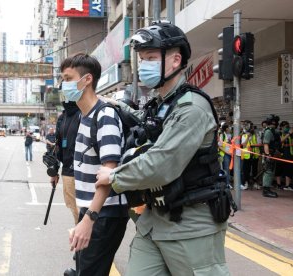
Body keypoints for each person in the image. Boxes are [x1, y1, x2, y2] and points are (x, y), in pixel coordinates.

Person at [96, 21, 230, 275]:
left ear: (175, 60)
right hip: (155, 222)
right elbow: (146, 123)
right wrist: (112, 104)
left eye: (151, 58)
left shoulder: (192, 108)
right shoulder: (163, 103)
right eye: (142, 59)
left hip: (191, 228)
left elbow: (162, 163)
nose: (143, 65)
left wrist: (114, 177)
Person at [60, 53, 129, 276]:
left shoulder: (104, 115)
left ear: (87, 79)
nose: (64, 85)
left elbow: (109, 172)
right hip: (93, 211)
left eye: (68, 78)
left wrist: (90, 219)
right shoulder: (84, 116)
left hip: (104, 214)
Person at [51, 101, 81, 225]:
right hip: (68, 172)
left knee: (88, 214)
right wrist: (54, 171)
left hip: (88, 174)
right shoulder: (62, 118)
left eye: (69, 80)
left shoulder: (86, 112)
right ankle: (81, 242)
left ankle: (85, 242)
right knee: (75, 212)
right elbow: (58, 146)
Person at [262, 114, 280, 198]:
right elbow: (266, 144)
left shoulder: (273, 131)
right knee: (268, 172)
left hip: (272, 154)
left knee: (271, 171)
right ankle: (266, 190)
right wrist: (268, 155)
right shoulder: (269, 131)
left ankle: (268, 188)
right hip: (269, 155)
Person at [275, 121, 293, 191]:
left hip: (289, 152)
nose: (287, 128)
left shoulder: (290, 134)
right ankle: (278, 184)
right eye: (286, 127)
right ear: (281, 127)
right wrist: (289, 133)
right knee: (279, 168)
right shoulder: (278, 133)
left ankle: (287, 186)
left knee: (289, 168)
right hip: (280, 152)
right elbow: (281, 141)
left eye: (288, 127)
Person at [241, 120, 260, 190]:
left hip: (255, 154)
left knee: (255, 169)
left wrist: (252, 145)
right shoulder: (244, 135)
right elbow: (243, 145)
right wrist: (247, 137)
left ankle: (255, 183)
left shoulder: (256, 135)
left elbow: (260, 143)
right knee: (246, 170)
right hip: (247, 155)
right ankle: (246, 183)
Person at [218, 123, 233, 189]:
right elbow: (219, 146)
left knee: (227, 169)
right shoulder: (222, 135)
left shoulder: (228, 135)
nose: (230, 129)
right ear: (226, 128)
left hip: (229, 154)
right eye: (229, 127)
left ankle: (227, 183)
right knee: (225, 169)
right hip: (224, 155)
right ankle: (227, 184)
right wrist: (227, 152)